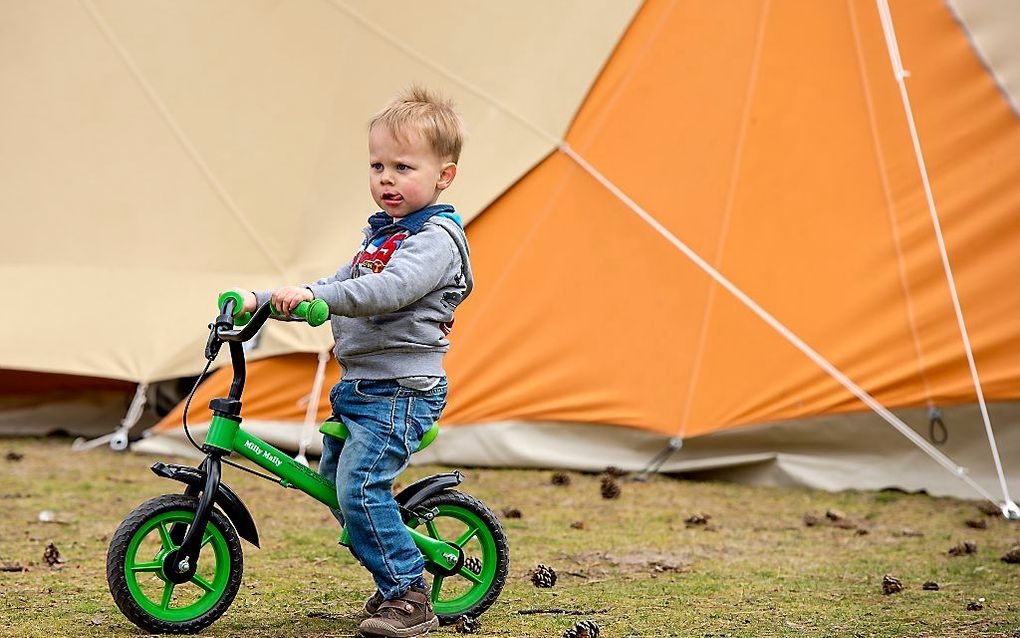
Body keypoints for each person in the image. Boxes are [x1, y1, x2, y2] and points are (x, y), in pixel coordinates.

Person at [235, 85, 471, 637]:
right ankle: (392, 558)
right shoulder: (379, 237)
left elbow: (388, 291)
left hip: (402, 391)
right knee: (336, 484)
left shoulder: (435, 240)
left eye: (404, 167)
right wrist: (268, 300)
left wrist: (325, 302)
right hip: (362, 389)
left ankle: (409, 592)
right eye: (377, 165)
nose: (386, 178)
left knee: (358, 488)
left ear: (445, 176)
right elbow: (335, 285)